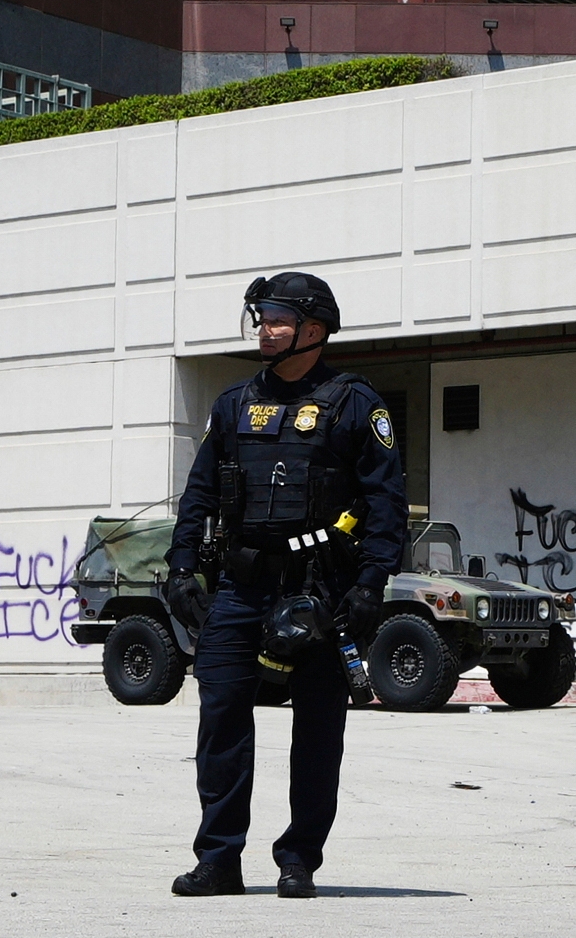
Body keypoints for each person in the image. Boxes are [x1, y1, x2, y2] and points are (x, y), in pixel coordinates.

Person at [162, 272, 406, 898]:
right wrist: (181, 565)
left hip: (320, 590)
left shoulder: (356, 404)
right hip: (239, 588)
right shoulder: (233, 403)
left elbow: (385, 504)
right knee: (219, 718)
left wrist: (370, 586)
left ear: (314, 330)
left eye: (275, 318)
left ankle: (299, 858)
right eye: (261, 318)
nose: (264, 329)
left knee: (318, 729)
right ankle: (219, 860)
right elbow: (199, 491)